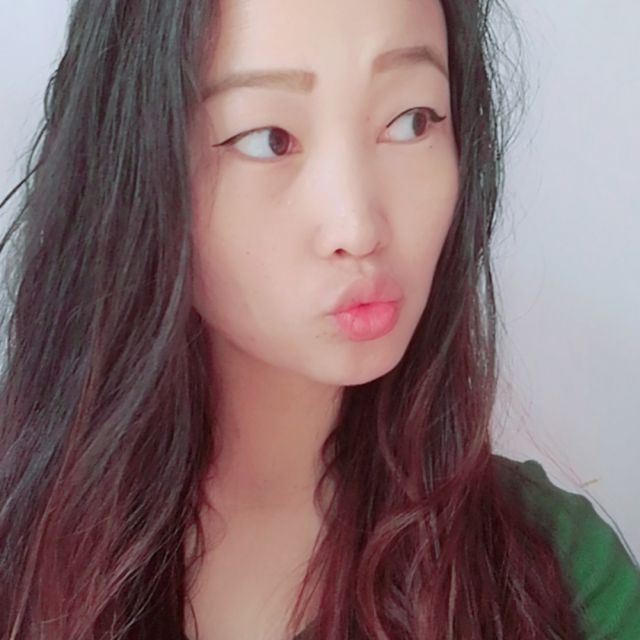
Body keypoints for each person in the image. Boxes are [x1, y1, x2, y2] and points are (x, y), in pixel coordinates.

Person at [0, 0, 638, 638]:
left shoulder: (557, 577)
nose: (357, 227)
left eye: (412, 121)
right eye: (268, 140)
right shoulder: (22, 549)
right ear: (131, 163)